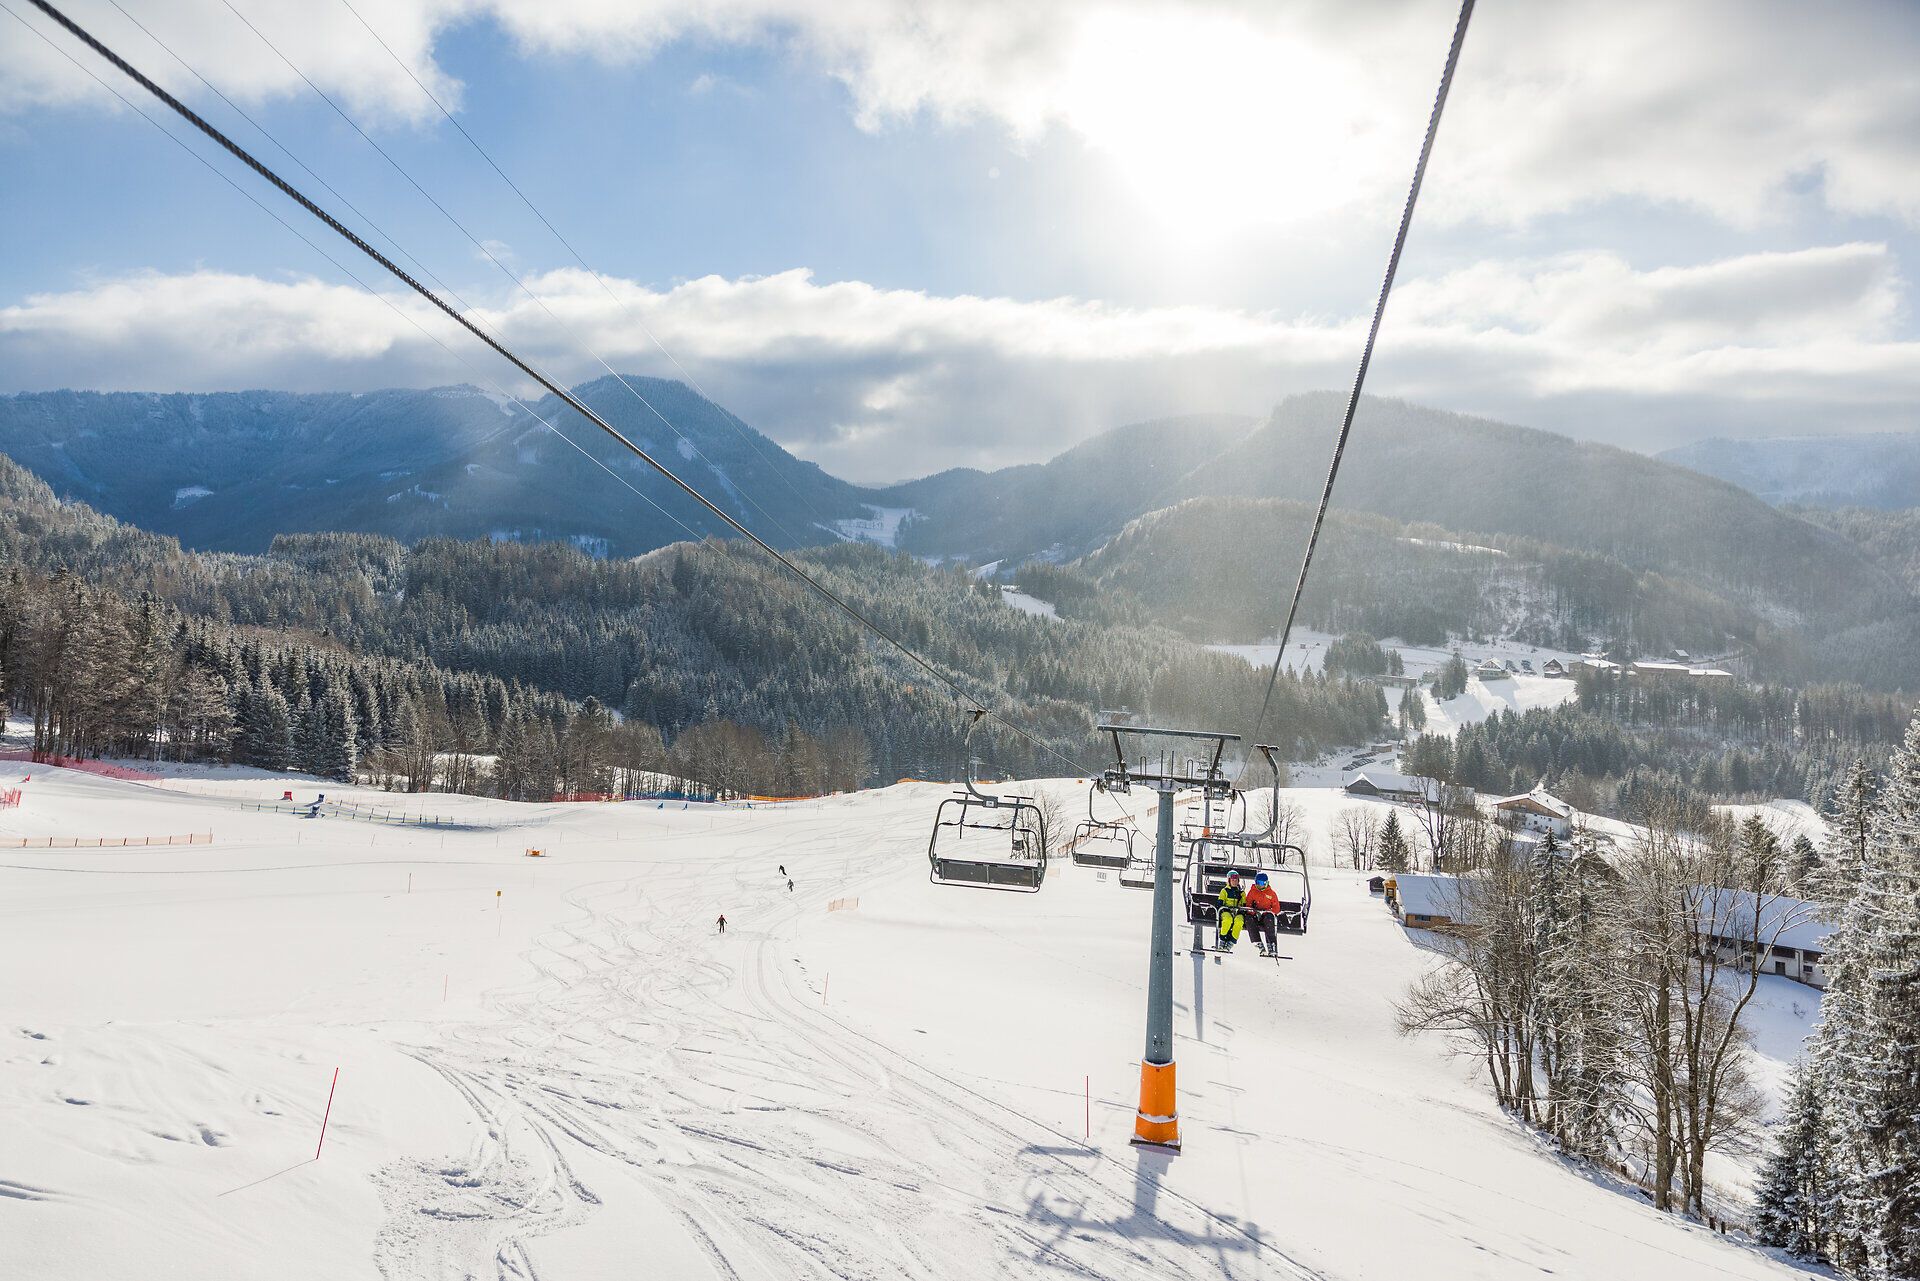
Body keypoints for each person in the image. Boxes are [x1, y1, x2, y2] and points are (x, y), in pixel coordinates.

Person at [1245, 872, 1283, 956]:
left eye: (1263, 883)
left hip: (1266, 915)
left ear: (1266, 883)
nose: (1260, 885)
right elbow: (1248, 905)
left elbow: (1276, 908)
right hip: (1256, 915)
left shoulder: (1271, 894)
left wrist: (1268, 911)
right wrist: (1253, 911)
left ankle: (1272, 945)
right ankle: (1258, 942)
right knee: (1248, 919)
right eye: (1258, 883)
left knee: (1269, 920)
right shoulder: (1252, 892)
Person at [1215, 871, 1248, 951]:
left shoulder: (1241, 893)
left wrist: (1241, 910)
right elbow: (1220, 904)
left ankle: (1231, 942)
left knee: (1239, 921)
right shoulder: (1225, 891)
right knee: (1228, 920)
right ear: (1229, 880)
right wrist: (1226, 908)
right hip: (1226, 911)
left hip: (1237, 912)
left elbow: (1244, 905)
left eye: (1236, 880)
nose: (1234, 881)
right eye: (1232, 880)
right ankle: (1222, 940)